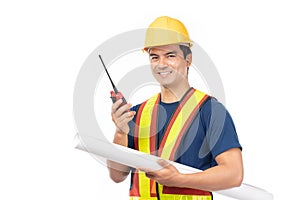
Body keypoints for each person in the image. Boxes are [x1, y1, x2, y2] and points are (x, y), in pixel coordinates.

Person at [107, 16, 243, 200]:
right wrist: (121, 133)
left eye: (170, 55)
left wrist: (179, 179)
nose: (161, 63)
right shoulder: (137, 113)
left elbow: (234, 174)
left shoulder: (210, 111)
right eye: (155, 57)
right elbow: (117, 176)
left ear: (188, 59)